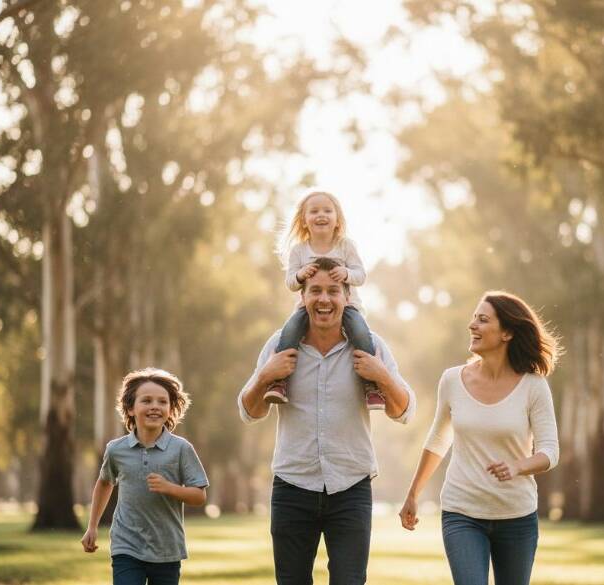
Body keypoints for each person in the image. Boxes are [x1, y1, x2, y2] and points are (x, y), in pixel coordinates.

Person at [238, 256, 416, 585]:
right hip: (293, 487)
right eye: (315, 290)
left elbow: (403, 411)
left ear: (347, 299)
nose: (323, 299)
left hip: (351, 488)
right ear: (302, 298)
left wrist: (382, 377)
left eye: (333, 291)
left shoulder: (371, 347)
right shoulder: (280, 346)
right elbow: (250, 412)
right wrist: (265, 377)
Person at [399, 291, 560, 585]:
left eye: (483, 320)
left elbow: (550, 451)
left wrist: (517, 466)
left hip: (517, 515)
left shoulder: (533, 387)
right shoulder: (452, 380)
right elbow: (438, 439)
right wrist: (413, 494)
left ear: (507, 332)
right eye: (474, 318)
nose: (472, 325)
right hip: (462, 512)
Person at [81, 368, 209, 585]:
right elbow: (104, 483)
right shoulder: (116, 449)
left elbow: (199, 496)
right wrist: (92, 526)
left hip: (167, 549)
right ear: (130, 408)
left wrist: (170, 488)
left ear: (170, 409)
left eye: (162, 401)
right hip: (126, 546)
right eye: (147, 400)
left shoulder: (181, 449)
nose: (155, 407)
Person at [265, 189, 384, 410]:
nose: (321, 215)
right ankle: (279, 382)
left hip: (348, 306)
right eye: (314, 211)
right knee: (289, 331)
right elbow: (291, 282)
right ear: (304, 220)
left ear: (337, 220)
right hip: (307, 307)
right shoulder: (299, 251)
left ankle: (371, 387)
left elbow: (361, 275)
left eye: (328, 210)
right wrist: (301, 274)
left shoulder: (345, 245)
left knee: (360, 331)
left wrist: (346, 274)